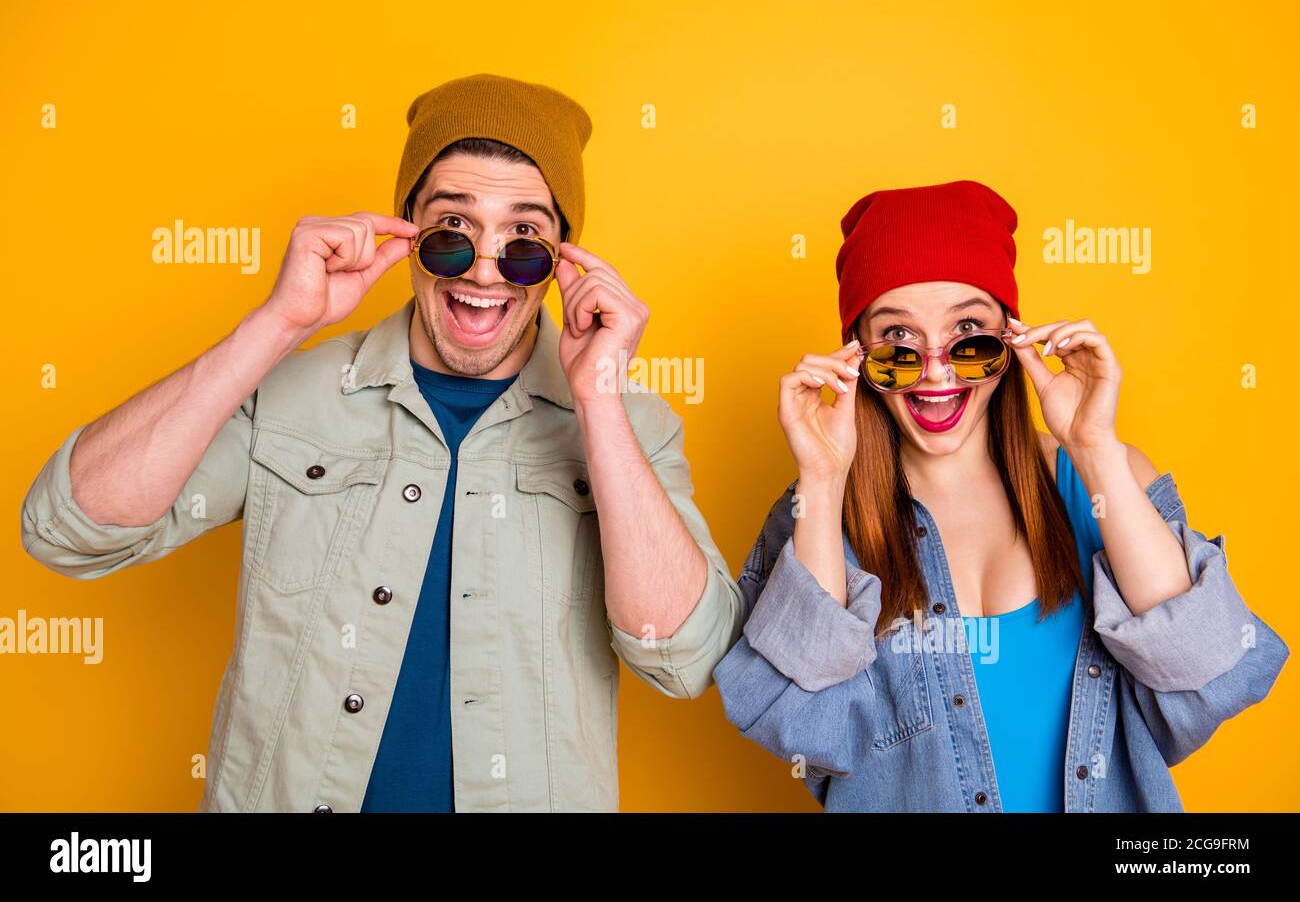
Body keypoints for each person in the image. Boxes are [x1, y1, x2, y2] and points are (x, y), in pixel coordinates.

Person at [20, 73, 741, 812]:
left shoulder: (631, 427)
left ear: (566, 261)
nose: (486, 269)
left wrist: (598, 403)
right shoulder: (293, 397)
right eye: (452, 231)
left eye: (525, 239)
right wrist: (278, 325)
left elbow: (684, 658)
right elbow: (69, 530)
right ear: (405, 234)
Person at [712, 179, 1288, 811]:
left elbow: (1211, 671)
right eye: (898, 342)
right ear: (857, 358)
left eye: (969, 334)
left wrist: (1092, 448)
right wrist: (822, 483)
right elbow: (803, 730)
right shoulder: (816, 516)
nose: (936, 370)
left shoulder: (1100, 477)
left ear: (1011, 341)